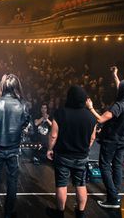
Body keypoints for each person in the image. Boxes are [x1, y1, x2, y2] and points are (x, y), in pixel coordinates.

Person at [86, 66, 124, 209]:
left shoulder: (118, 106)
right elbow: (121, 89)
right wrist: (115, 75)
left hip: (111, 140)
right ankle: (115, 193)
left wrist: (90, 107)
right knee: (117, 165)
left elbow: (101, 120)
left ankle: (112, 198)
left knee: (104, 166)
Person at [0, 74, 30, 218]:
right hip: (14, 147)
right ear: (17, 86)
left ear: (3, 86)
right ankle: (9, 210)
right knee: (12, 178)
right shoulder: (23, 104)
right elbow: (25, 123)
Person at [47, 86, 97, 218]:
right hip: (81, 156)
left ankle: (60, 213)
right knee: (81, 184)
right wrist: (84, 149)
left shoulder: (60, 113)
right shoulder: (91, 117)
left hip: (63, 155)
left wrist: (50, 149)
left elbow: (53, 135)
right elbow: (92, 138)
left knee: (62, 184)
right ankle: (80, 214)